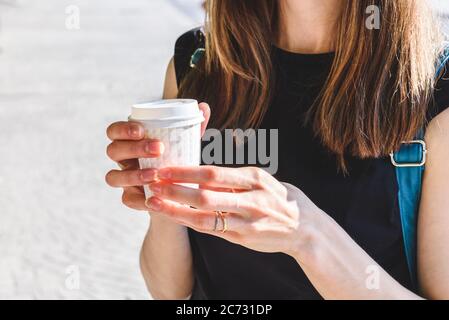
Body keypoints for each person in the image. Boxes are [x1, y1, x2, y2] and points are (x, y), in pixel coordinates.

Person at [105, 0, 449, 299]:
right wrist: (162, 195)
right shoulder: (196, 64)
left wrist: (307, 234)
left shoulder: (436, 90)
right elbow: (170, 291)